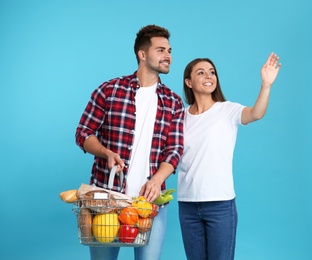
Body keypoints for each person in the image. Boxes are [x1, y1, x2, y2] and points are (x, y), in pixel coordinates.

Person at [75, 24, 184, 260]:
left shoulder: (173, 102)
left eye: (169, 50)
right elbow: (83, 133)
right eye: (161, 50)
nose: (168, 56)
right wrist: (106, 152)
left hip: (149, 204)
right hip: (107, 198)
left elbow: (174, 150)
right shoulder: (110, 90)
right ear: (142, 54)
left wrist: (158, 179)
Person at [178, 53, 282, 260]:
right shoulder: (180, 116)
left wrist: (266, 85)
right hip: (187, 203)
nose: (209, 76)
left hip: (220, 204)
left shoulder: (226, 110)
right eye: (201, 72)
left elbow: (256, 113)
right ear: (188, 82)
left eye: (212, 72)